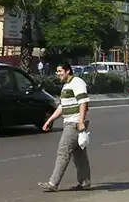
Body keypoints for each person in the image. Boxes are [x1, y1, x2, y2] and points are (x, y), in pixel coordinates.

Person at [39, 62, 92, 192]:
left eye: (60, 71)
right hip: (70, 121)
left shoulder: (77, 82)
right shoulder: (66, 86)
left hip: (74, 122)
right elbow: (62, 106)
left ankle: (53, 183)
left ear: (68, 71)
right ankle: (85, 182)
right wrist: (49, 120)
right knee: (79, 153)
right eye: (57, 71)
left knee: (63, 151)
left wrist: (80, 121)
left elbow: (83, 102)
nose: (58, 74)